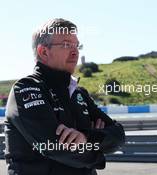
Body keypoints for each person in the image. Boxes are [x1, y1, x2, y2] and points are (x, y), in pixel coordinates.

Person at [4, 18, 125, 175]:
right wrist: (99, 153)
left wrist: (85, 137)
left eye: (77, 45)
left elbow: (118, 135)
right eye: (67, 45)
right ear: (44, 51)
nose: (75, 51)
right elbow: (52, 146)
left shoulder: (79, 93)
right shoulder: (26, 88)